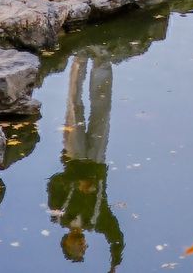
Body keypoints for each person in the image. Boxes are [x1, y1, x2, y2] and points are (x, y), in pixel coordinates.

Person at [47, 51, 125, 267]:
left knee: (74, 107)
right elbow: (115, 235)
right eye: (83, 250)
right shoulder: (96, 220)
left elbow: (54, 182)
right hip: (97, 161)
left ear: (66, 243)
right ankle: (102, 61)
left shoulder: (59, 214)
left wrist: (76, 182)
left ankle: (80, 58)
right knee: (102, 113)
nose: (83, 247)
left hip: (74, 158)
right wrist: (114, 264)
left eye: (77, 250)